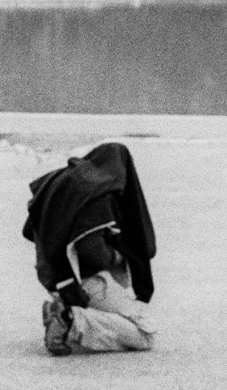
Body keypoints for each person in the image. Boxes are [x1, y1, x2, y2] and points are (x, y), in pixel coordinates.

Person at [24, 142, 158, 355]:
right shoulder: (96, 195)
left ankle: (65, 311)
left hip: (56, 277)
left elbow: (30, 230)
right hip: (86, 281)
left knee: (123, 313)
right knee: (145, 333)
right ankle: (70, 320)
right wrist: (117, 257)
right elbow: (91, 249)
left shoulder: (64, 186)